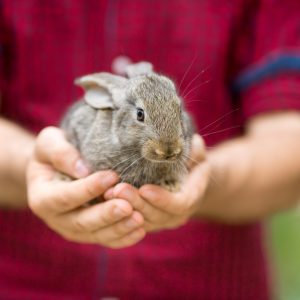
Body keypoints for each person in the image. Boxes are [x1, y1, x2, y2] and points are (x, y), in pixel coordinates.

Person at [1, 0, 300, 299]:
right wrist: (36, 165)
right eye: (142, 117)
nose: (169, 145)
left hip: (202, 284)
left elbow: (289, 143)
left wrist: (205, 178)